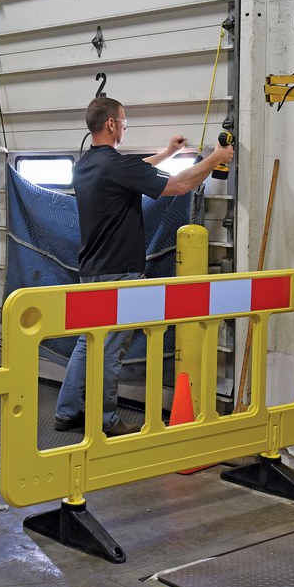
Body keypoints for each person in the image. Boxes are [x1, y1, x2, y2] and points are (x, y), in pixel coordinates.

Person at [54, 96, 236, 437]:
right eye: (124, 122)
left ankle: (68, 412)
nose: (125, 127)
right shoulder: (117, 166)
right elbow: (178, 185)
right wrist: (216, 158)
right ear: (111, 124)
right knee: (110, 348)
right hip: (119, 271)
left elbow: (133, 171)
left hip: (91, 269)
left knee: (87, 341)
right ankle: (106, 420)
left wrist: (167, 153)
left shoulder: (87, 164)